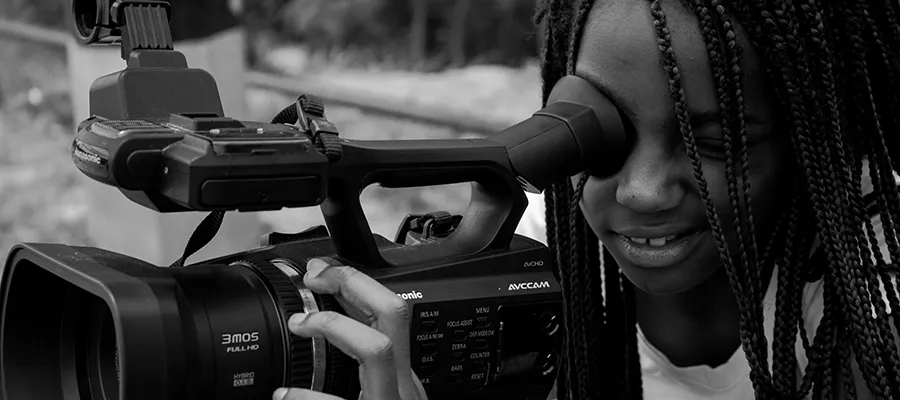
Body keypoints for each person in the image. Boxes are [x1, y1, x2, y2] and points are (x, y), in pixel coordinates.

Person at [270, 0, 900, 399]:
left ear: (815, 141)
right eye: (605, 132)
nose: (642, 190)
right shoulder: (532, 258)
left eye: (714, 143)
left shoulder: (872, 285)